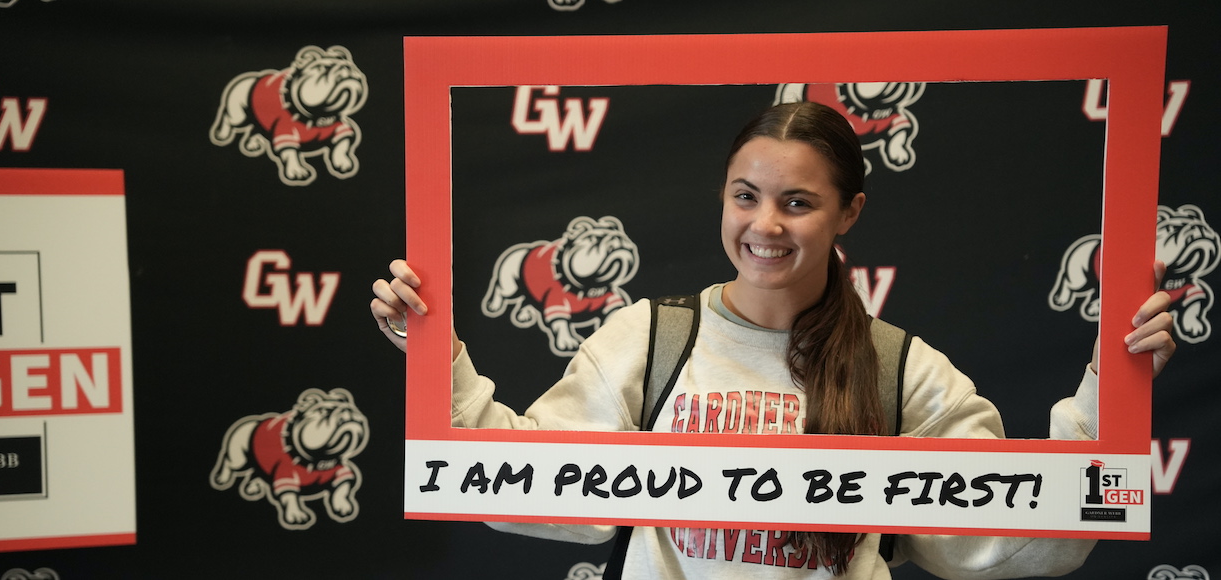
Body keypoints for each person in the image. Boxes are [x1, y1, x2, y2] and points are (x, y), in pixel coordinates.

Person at [370, 101, 1176, 579]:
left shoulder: (898, 370)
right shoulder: (649, 338)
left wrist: (1119, 382)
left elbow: (1021, 538)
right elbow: (529, 488)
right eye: (744, 195)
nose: (764, 225)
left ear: (848, 213)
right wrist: (432, 357)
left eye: (797, 202)